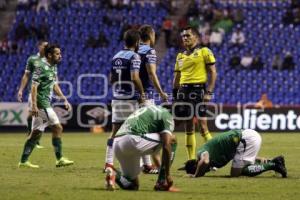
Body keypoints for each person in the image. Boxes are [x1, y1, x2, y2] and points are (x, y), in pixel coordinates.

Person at [18, 44, 74, 168]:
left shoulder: (54, 67)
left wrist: (64, 99)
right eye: (57, 54)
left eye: (60, 53)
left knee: (35, 133)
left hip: (45, 103)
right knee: (58, 128)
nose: (60, 56)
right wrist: (34, 106)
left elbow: (54, 85)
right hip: (41, 103)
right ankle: (59, 159)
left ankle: (23, 161)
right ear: (49, 55)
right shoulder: (40, 67)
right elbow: (33, 86)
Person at [105, 105, 178, 191]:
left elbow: (156, 151)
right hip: (133, 140)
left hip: (117, 143)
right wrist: (167, 174)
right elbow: (166, 146)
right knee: (172, 140)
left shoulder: (152, 111)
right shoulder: (167, 116)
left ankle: (114, 174)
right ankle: (162, 182)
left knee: (133, 186)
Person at [173, 26, 217, 161]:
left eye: (188, 36)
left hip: (197, 90)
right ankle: (191, 161)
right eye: (183, 36)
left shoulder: (204, 51)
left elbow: (213, 73)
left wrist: (209, 92)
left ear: (196, 38)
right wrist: (175, 94)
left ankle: (214, 159)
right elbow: (177, 77)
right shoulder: (180, 56)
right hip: (183, 91)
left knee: (203, 126)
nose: (185, 38)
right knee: (188, 125)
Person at [104, 29, 145, 171]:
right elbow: (135, 77)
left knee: (114, 132)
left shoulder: (116, 56)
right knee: (137, 132)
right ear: (137, 42)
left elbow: (111, 79)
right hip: (130, 99)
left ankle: (108, 163)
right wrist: (142, 94)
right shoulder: (134, 56)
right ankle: (138, 164)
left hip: (117, 98)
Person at [182, 129, 287, 178]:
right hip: (247, 138)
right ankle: (274, 161)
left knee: (236, 173)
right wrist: (262, 159)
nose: (205, 172)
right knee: (242, 165)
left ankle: (274, 165)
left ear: (197, 165)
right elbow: (237, 156)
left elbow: (204, 161)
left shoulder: (201, 153)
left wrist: (195, 175)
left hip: (245, 139)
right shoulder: (215, 156)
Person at [138, 24, 169, 173]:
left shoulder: (134, 50)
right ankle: (148, 165)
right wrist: (161, 92)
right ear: (151, 35)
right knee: (149, 130)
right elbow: (151, 73)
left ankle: (144, 164)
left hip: (133, 95)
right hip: (146, 95)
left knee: (138, 129)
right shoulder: (150, 51)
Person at [17, 40, 48, 149]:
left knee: (38, 116)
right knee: (35, 115)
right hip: (34, 92)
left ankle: (32, 137)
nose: (46, 47)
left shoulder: (50, 59)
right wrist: (21, 90)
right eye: (44, 46)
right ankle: (34, 140)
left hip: (46, 93)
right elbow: (26, 76)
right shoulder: (32, 59)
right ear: (39, 47)